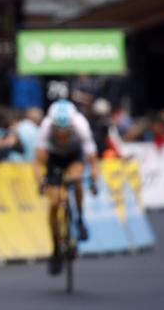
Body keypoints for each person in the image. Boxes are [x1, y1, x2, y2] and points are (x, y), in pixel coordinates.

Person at [33, 99, 98, 276]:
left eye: (66, 132)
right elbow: (38, 161)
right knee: (54, 203)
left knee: (75, 178)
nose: (62, 135)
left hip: (74, 155)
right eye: (58, 132)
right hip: (54, 157)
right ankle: (55, 247)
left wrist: (93, 178)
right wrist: (40, 181)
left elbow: (92, 159)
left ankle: (80, 217)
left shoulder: (81, 125)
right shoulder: (46, 125)